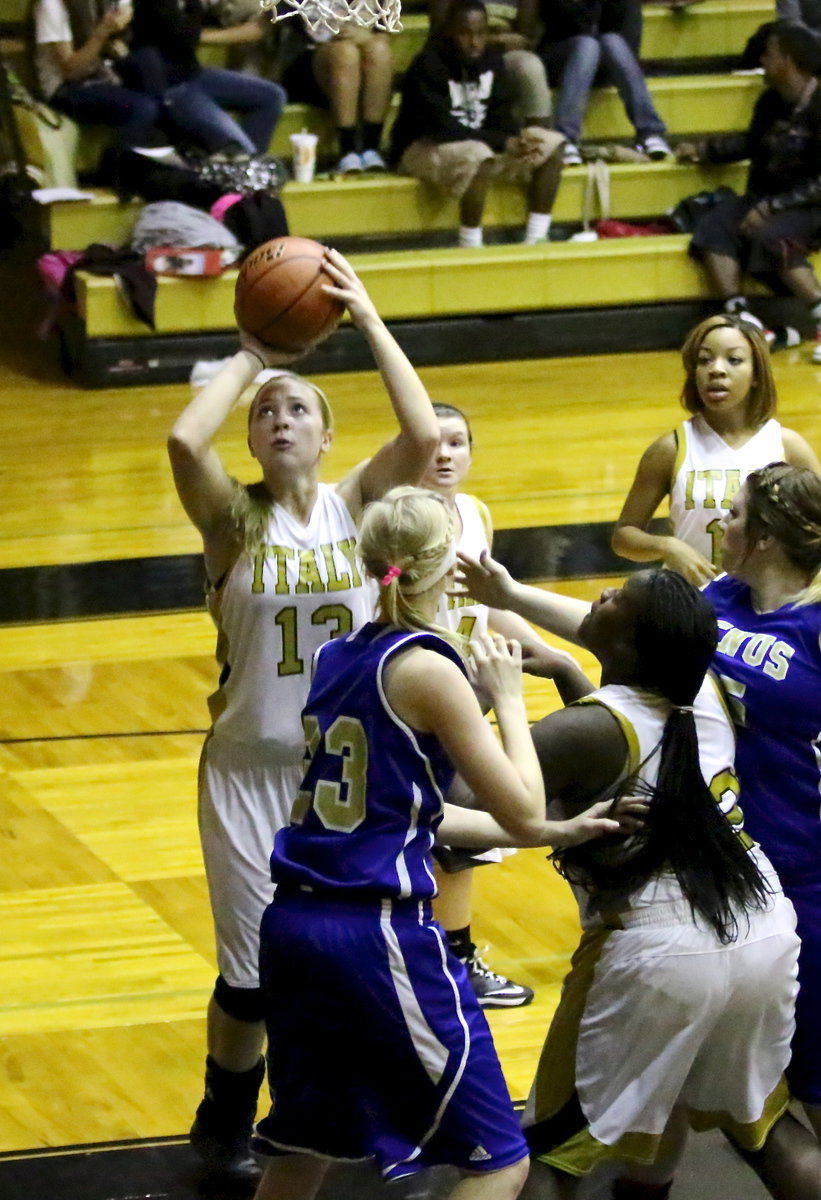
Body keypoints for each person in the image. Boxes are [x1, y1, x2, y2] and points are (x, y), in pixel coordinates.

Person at [250, 485, 626, 1200]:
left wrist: (556, 832)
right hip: (374, 934)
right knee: (499, 1161)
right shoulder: (429, 669)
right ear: (448, 564)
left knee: (305, 1149)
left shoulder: (335, 656)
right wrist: (508, 697)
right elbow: (521, 808)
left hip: (295, 928)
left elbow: (404, 813)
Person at [167, 250, 442, 1184]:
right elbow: (183, 442)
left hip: (338, 772)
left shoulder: (356, 507)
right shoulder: (230, 520)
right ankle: (223, 1114)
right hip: (247, 771)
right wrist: (255, 353)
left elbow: (420, 430)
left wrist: (365, 316)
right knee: (251, 977)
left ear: (326, 438)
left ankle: (326, 1111)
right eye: (264, 413)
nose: (278, 419)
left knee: (337, 959)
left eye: (296, 410)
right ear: (252, 439)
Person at [455, 555, 821, 1200]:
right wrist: (566, 669)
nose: (601, 593)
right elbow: (627, 733)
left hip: (661, 945)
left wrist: (499, 701)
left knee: (550, 1154)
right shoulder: (703, 693)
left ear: (629, 645)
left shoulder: (582, 731)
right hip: (760, 927)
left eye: (619, 598)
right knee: (764, 1133)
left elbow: (466, 804)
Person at [423, 401, 579, 1008]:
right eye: (433, 442)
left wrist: (548, 651)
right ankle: (445, 962)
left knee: (459, 838)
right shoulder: (397, 518)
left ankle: (452, 959)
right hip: (419, 695)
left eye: (456, 442)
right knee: (445, 830)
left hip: (468, 696)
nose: (444, 454)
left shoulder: (473, 512)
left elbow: (486, 605)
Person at [706, 463, 821, 1150]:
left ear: (767, 538)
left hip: (807, 882)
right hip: (734, 877)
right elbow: (634, 635)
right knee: (716, 1078)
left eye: (735, 515)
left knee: (814, 1083)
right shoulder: (719, 595)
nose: (721, 524)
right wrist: (511, 600)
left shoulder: (815, 628)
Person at [611, 313, 820, 586]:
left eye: (734, 360)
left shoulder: (788, 447)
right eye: (704, 360)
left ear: (756, 374)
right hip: (691, 600)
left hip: (764, 601)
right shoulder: (671, 448)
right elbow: (624, 536)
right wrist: (667, 546)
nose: (716, 370)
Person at [677, 20, 821, 363]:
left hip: (810, 204)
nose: (763, 62)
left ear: (788, 60)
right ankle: (743, 319)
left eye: (769, 55)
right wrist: (704, 151)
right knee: (715, 228)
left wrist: (773, 207)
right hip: (765, 198)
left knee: (774, 238)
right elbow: (751, 143)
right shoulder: (770, 102)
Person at [390, 0, 565, 248]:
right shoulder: (428, 65)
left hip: (479, 145)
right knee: (478, 154)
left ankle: (536, 237)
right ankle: (471, 244)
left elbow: (502, 115)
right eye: (465, 34)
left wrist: (517, 140)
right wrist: (501, 141)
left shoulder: (492, 60)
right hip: (422, 148)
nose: (474, 42)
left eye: (481, 34)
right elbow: (440, 128)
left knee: (551, 144)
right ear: (450, 32)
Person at [127, 0, 286, 157]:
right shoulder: (154, 5)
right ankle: (243, 163)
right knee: (240, 146)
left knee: (272, 96)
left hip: (193, 73)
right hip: (171, 87)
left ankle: (249, 166)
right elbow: (179, 34)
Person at [533, 0, 671, 166]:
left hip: (604, 61)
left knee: (613, 41)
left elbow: (628, 46)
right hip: (560, 56)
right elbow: (563, 23)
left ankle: (650, 132)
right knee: (587, 45)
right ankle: (566, 138)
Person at [29, 0, 177, 154]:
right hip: (65, 87)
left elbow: (124, 16)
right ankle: (128, 161)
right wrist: (104, 30)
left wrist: (121, 28)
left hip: (102, 69)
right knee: (143, 108)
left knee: (148, 60)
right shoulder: (51, 5)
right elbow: (71, 71)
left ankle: (166, 146)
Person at [275, 6, 393, 175]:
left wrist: (363, 36)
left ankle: (371, 148)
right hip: (309, 59)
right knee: (344, 52)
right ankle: (347, 150)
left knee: (379, 50)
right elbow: (268, 22)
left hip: (361, 55)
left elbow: (384, 31)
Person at [427, 0, 554, 127]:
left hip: (507, 54)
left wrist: (512, 40)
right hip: (460, 53)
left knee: (530, 66)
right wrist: (493, 40)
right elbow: (442, 32)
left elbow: (526, 36)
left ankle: (537, 134)